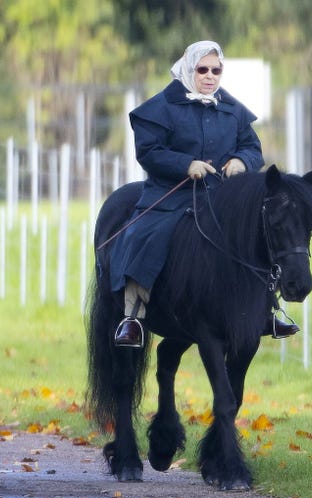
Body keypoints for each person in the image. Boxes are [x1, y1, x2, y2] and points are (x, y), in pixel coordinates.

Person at [109, 40, 299, 347]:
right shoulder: (160, 107)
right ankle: (133, 316)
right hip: (171, 194)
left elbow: (252, 147)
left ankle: (267, 310)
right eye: (203, 69)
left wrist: (241, 161)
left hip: (220, 196)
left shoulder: (233, 109)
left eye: (216, 70)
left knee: (258, 235)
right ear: (189, 69)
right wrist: (185, 164)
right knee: (145, 236)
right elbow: (148, 151)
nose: (210, 76)